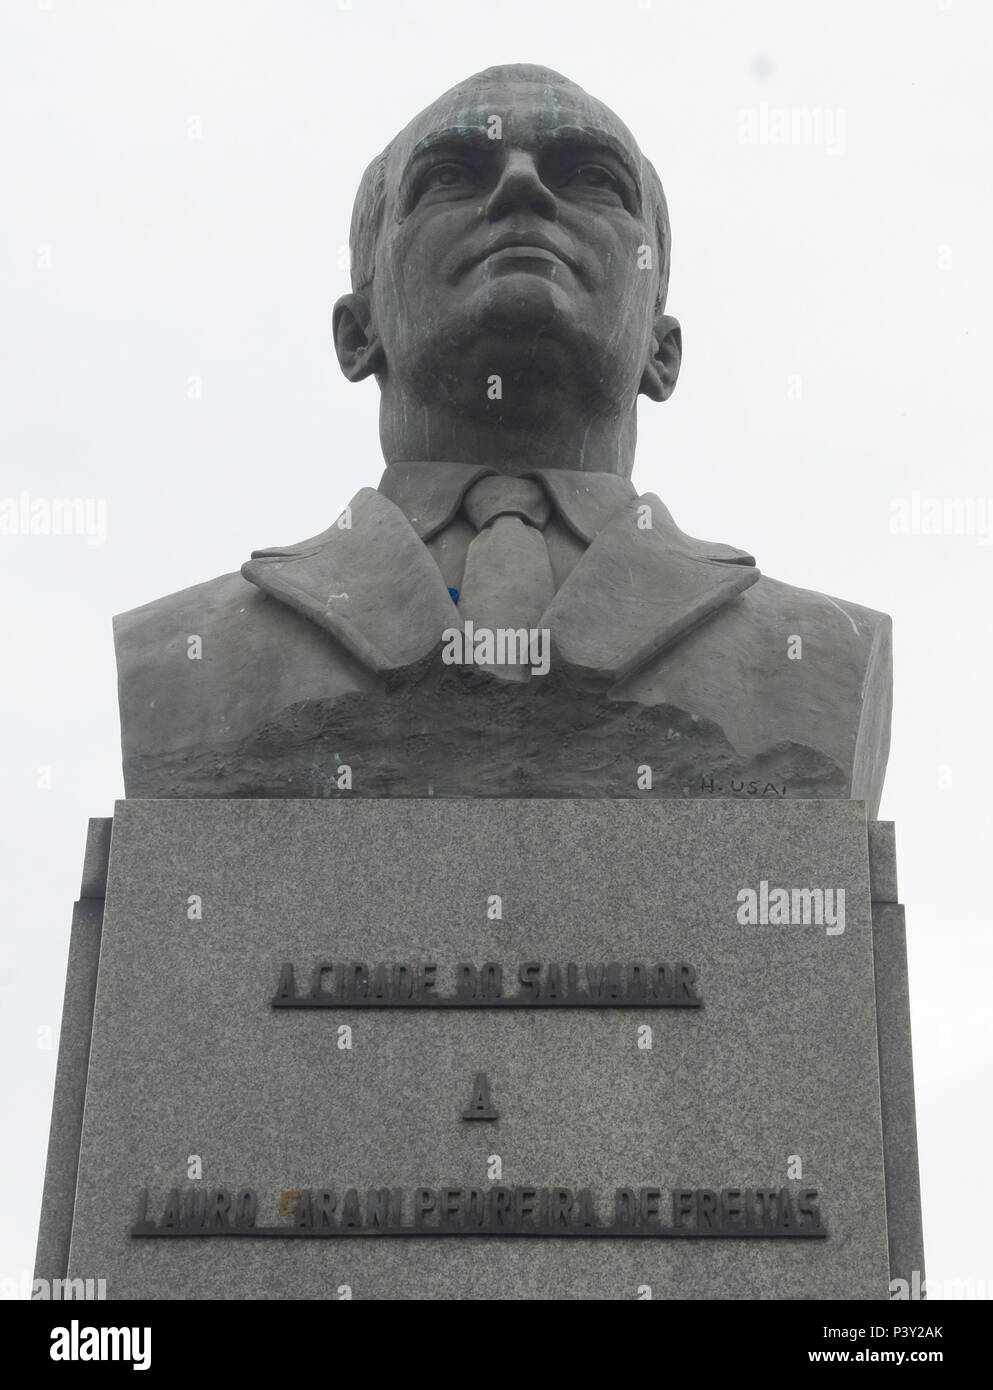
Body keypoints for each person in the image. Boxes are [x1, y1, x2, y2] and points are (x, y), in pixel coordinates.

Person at [114, 64, 891, 811]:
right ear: (357, 334)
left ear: (663, 350)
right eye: (450, 175)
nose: (521, 186)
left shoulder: (816, 652)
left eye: (589, 176)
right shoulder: (184, 652)